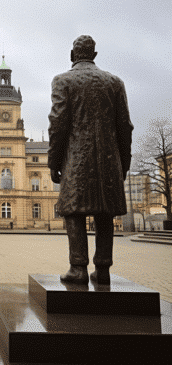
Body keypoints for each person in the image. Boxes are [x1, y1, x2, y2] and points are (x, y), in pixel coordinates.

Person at [48, 35, 133, 285]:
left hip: (77, 157)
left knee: (73, 212)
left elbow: (58, 124)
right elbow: (125, 126)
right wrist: (123, 163)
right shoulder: (115, 82)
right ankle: (103, 269)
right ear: (94, 55)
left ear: (72, 54)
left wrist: (54, 161)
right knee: (104, 212)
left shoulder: (63, 80)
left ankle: (78, 267)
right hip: (109, 158)